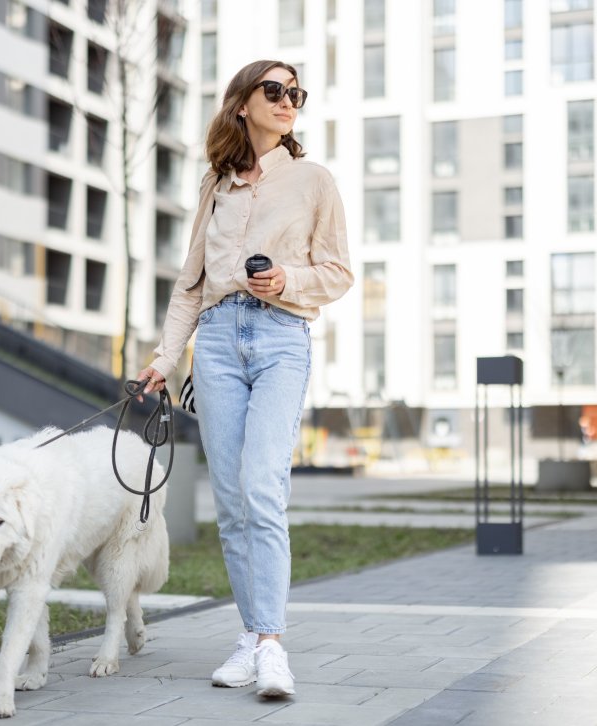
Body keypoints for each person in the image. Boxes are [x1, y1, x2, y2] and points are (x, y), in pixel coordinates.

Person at [137, 60, 353, 697]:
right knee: (231, 502)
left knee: (261, 484)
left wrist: (288, 279)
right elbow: (189, 286)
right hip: (218, 345)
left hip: (281, 337)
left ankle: (271, 647)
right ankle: (254, 634)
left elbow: (338, 272)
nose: (289, 101)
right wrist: (163, 358)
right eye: (275, 90)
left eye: (296, 93)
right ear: (242, 103)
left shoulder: (314, 180)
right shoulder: (217, 186)